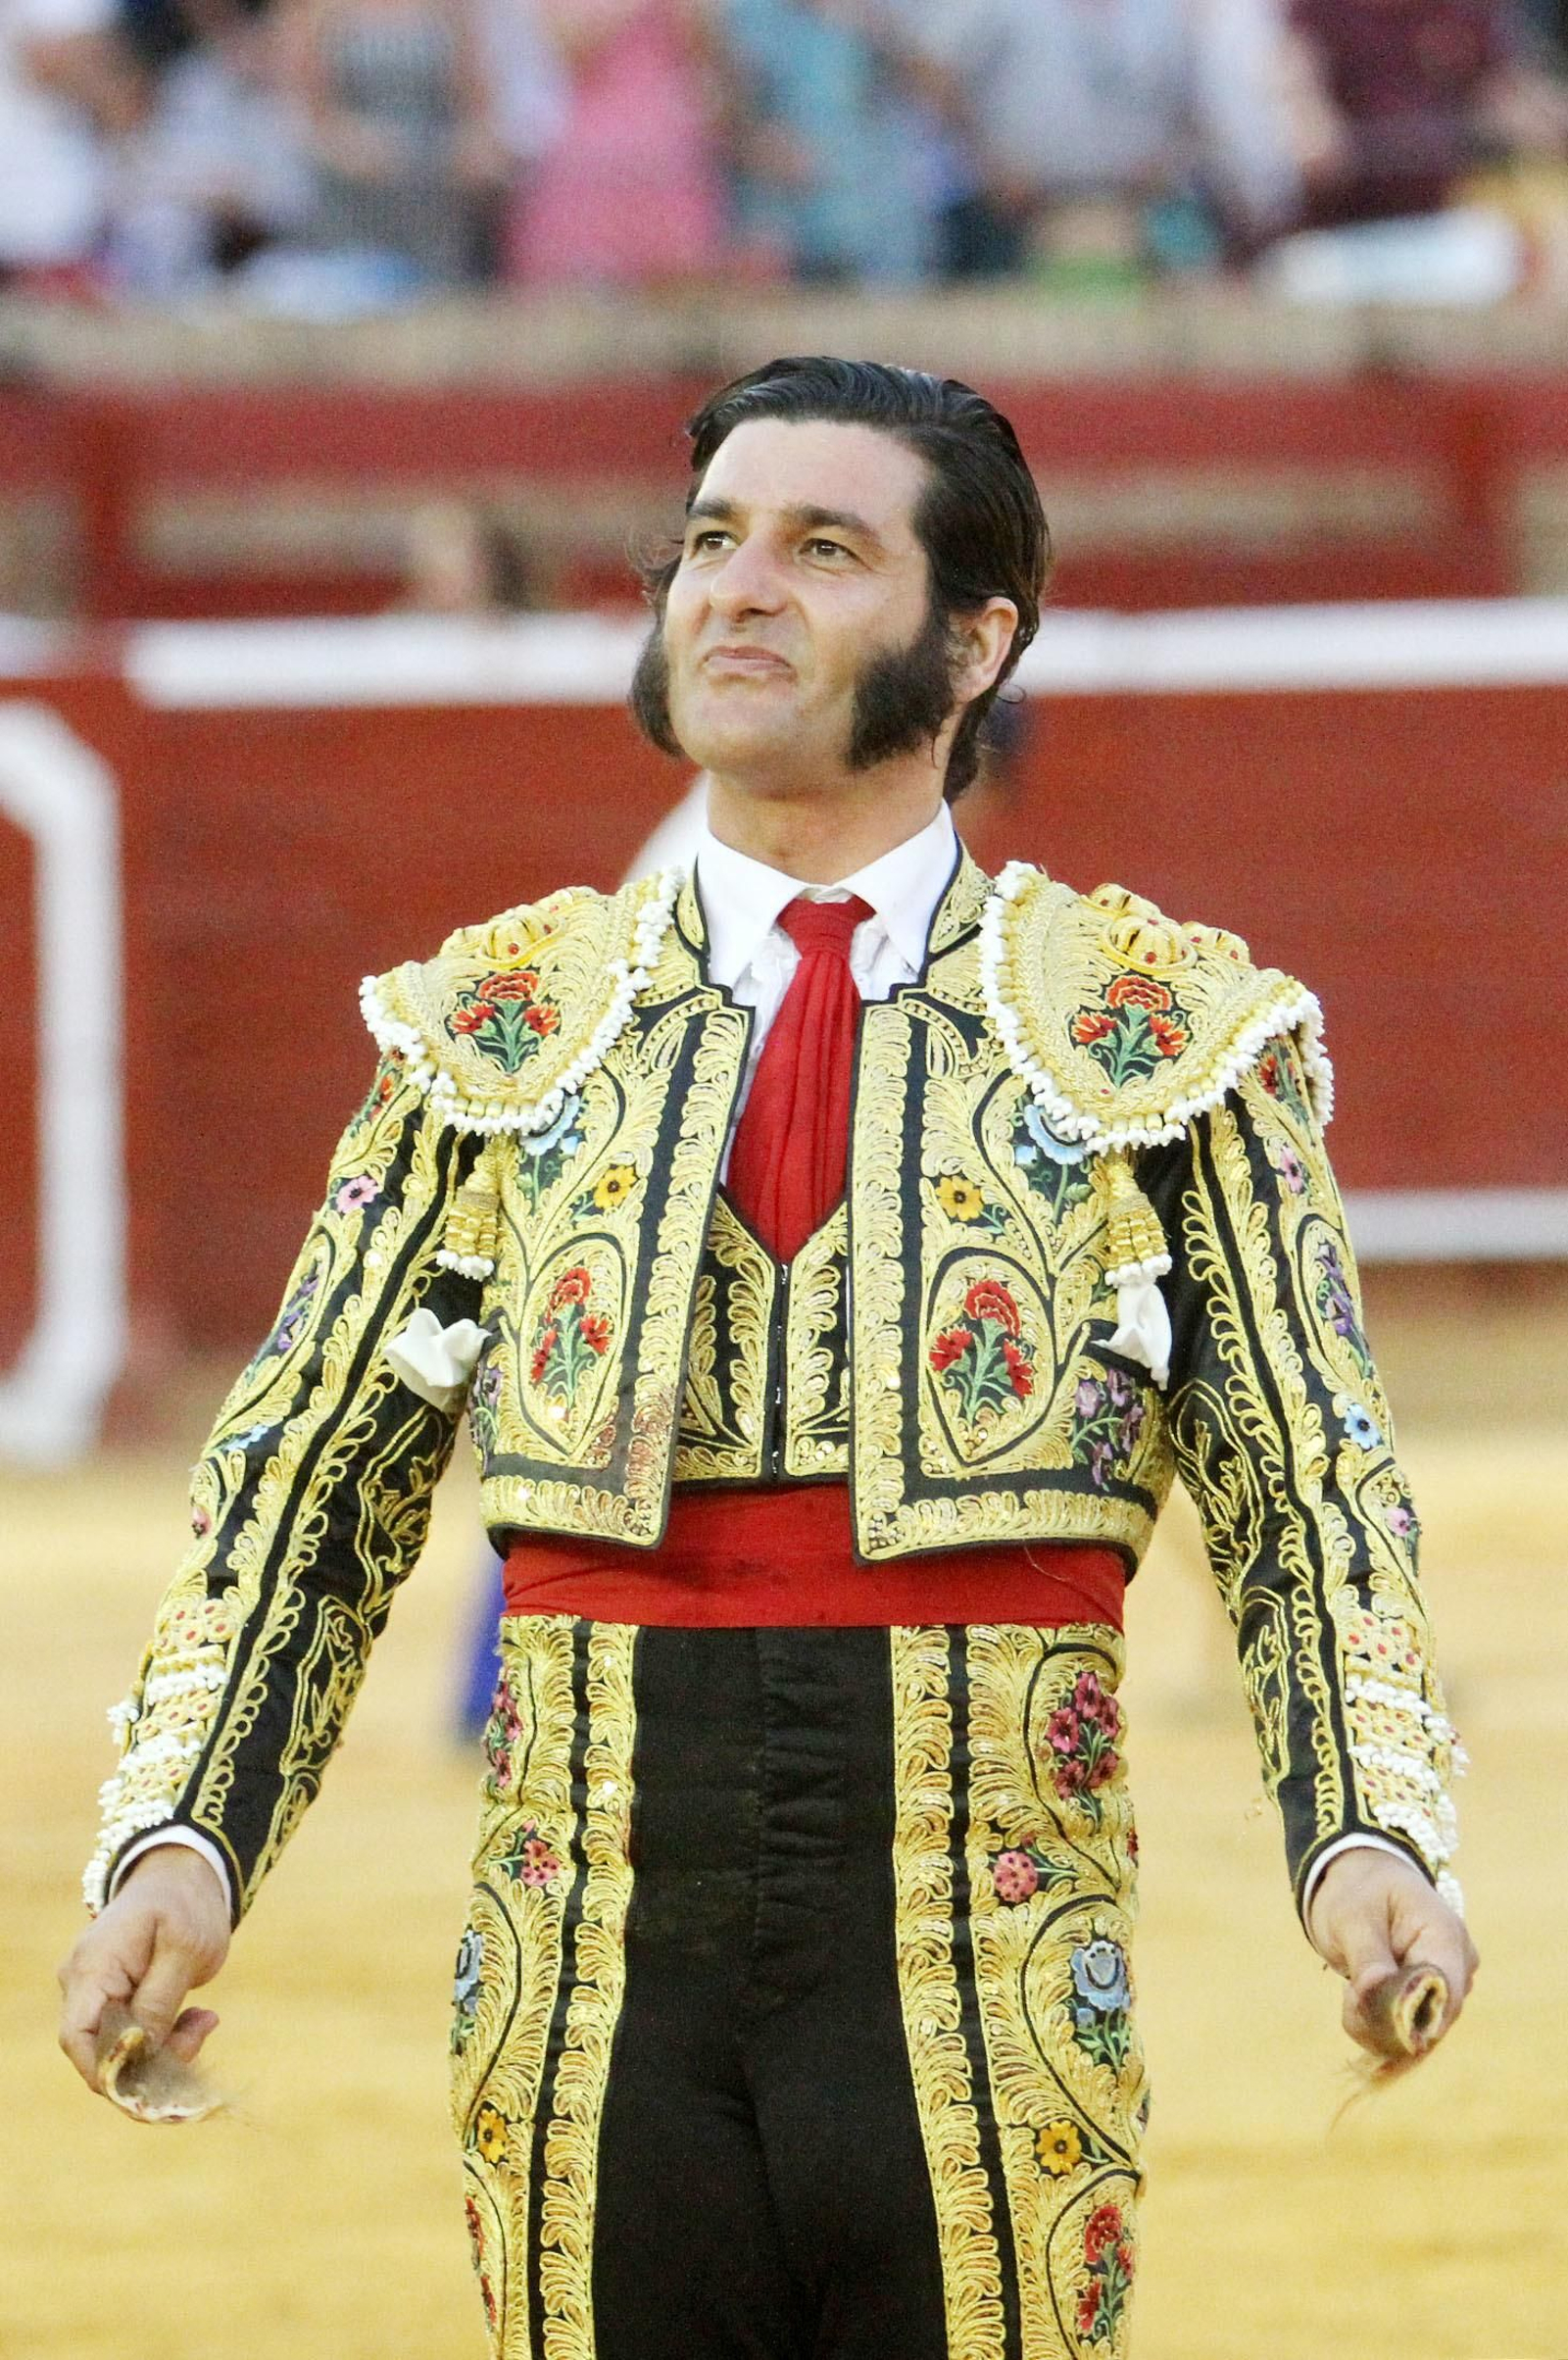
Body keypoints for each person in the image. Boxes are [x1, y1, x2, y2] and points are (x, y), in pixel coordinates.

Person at [60, 358, 1476, 2359]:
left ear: (973, 642)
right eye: (711, 540)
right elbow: (305, 1479)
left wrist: (1368, 1830)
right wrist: (182, 1839)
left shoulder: (1163, 1039)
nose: (734, 588)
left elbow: (1308, 1482)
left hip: (990, 1955)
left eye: (822, 550)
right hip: (582, 1966)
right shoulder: (496, 1031)